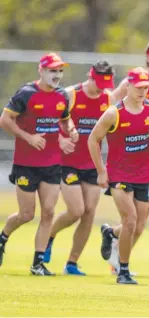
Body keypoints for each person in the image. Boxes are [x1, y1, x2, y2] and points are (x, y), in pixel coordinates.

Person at [101, 39, 149, 274]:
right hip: (127, 163)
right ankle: (121, 265)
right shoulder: (130, 83)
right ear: (148, 58)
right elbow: (109, 107)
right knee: (132, 218)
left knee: (140, 221)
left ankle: (113, 239)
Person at [0, 53, 78, 275]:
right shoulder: (26, 94)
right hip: (26, 163)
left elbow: (64, 120)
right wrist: (29, 137)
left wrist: (70, 131)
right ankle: (2, 238)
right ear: (41, 71)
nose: (57, 75)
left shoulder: (62, 95)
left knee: (49, 212)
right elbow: (5, 120)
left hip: (52, 162)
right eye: (53, 70)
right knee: (26, 214)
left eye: (60, 71)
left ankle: (37, 264)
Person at [42, 60, 115, 275]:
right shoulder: (70, 94)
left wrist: (107, 167)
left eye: (106, 83)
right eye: (99, 82)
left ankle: (71, 263)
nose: (103, 87)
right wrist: (59, 140)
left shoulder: (109, 98)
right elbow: (48, 121)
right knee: (76, 210)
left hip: (92, 164)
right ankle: (49, 237)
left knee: (90, 212)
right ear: (91, 76)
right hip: (67, 163)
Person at [88, 67, 149, 284]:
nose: (142, 91)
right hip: (119, 175)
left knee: (139, 225)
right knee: (130, 220)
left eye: (146, 87)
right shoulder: (113, 113)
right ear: (127, 86)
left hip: (143, 175)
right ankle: (123, 271)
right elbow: (93, 139)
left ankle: (110, 234)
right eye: (138, 87)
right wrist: (101, 171)